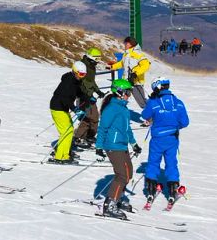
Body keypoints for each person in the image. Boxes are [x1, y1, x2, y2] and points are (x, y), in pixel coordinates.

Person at [95, 80, 143, 220]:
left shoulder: (123, 109)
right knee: (122, 175)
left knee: (128, 174)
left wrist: (134, 144)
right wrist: (99, 147)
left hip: (122, 145)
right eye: (127, 92)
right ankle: (110, 205)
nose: (129, 95)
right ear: (119, 92)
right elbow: (102, 129)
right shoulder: (111, 108)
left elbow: (127, 129)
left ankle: (117, 198)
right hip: (113, 146)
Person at [141, 77, 190, 207]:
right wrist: (173, 126)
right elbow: (185, 122)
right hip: (172, 139)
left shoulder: (153, 102)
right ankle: (173, 188)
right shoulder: (178, 102)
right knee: (171, 163)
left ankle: (151, 188)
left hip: (157, 139)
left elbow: (144, 115)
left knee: (153, 162)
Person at [48, 62, 89, 164]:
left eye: (84, 74)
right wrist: (75, 109)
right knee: (67, 131)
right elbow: (65, 99)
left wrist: (88, 98)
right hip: (58, 107)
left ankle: (65, 153)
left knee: (69, 130)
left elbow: (78, 92)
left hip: (62, 108)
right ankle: (60, 156)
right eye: (81, 74)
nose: (82, 77)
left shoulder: (75, 81)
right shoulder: (68, 82)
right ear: (75, 72)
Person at [73, 48, 106, 148]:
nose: (98, 61)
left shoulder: (92, 66)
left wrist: (98, 91)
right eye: (97, 59)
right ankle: (78, 137)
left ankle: (89, 136)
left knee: (95, 116)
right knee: (87, 117)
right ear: (91, 58)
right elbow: (81, 83)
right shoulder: (83, 66)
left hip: (90, 95)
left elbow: (91, 82)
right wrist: (86, 95)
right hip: (83, 96)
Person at [107, 36, 150, 109]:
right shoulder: (126, 54)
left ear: (130, 44)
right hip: (126, 81)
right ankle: (119, 111)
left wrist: (135, 73)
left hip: (136, 82)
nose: (124, 45)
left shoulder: (138, 54)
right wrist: (112, 67)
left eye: (125, 44)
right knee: (122, 97)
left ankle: (151, 117)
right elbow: (121, 63)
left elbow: (146, 65)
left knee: (142, 102)